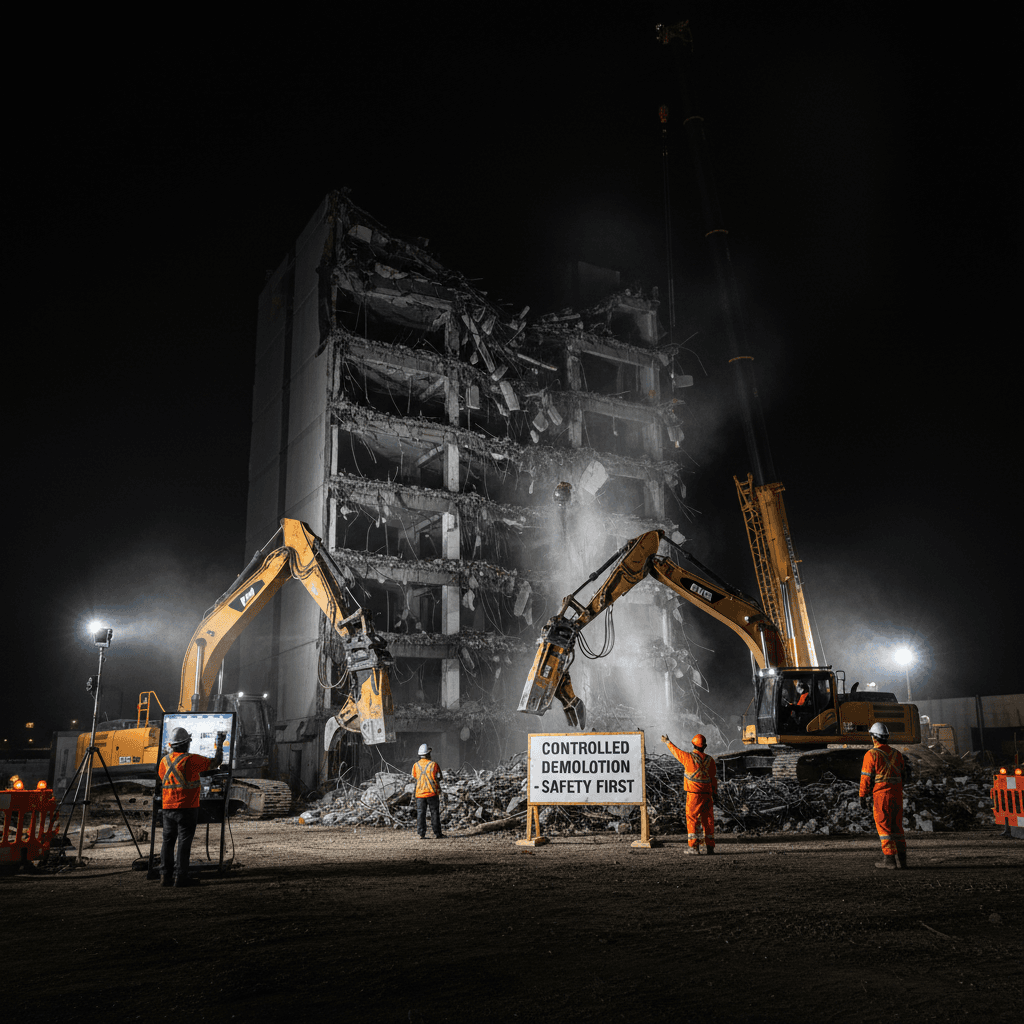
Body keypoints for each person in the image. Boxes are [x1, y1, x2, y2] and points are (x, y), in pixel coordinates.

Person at [158, 726, 225, 887]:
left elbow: (163, 778)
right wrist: (220, 744)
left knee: (167, 842)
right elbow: (216, 763)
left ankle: (165, 877)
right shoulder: (192, 760)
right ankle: (181, 878)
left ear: (172, 745)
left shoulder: (164, 761)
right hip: (187, 807)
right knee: (183, 842)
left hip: (168, 808)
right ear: (187, 744)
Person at [859, 721, 910, 869]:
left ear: (873, 737)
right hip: (897, 796)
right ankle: (903, 861)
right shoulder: (897, 754)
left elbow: (866, 777)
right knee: (898, 828)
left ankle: (889, 861)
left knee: (884, 828)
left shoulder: (871, 754)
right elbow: (904, 776)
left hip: (882, 796)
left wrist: (863, 796)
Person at [662, 733, 718, 854]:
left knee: (692, 819)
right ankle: (710, 848)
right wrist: (715, 794)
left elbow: (676, 752)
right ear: (705, 746)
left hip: (694, 795)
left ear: (693, 745)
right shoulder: (710, 760)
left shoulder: (688, 758)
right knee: (708, 820)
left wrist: (667, 741)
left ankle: (694, 848)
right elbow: (713, 779)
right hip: (707, 794)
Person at [412, 743, 444, 839]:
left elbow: (414, 777)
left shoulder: (415, 765)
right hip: (432, 793)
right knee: (434, 812)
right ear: (428, 754)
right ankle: (437, 833)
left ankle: (421, 834)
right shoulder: (434, 764)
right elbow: (439, 777)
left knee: (421, 813)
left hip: (420, 794)